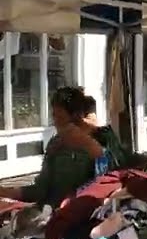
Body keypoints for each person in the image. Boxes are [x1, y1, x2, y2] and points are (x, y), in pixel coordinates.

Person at [0, 86, 128, 206]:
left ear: (77, 117)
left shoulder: (104, 138)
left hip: (88, 213)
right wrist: (7, 192)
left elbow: (116, 179)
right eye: (54, 116)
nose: (55, 123)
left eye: (60, 117)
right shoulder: (55, 144)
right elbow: (40, 189)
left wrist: (92, 147)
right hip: (53, 213)